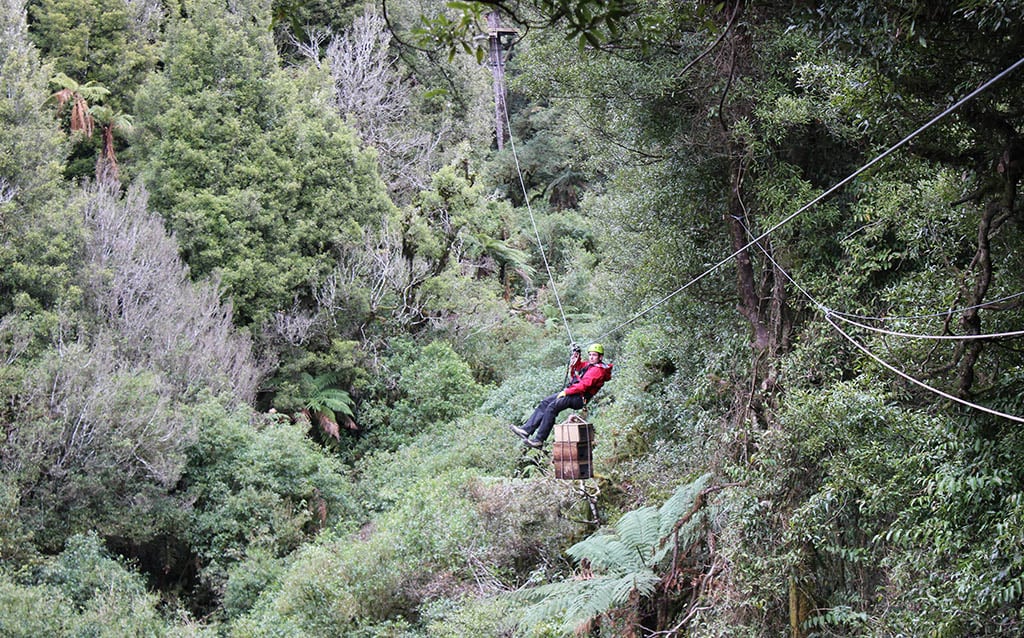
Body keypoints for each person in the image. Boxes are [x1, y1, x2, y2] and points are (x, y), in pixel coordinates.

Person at [509, 343, 613, 449]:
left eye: (594, 355)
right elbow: (579, 366)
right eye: (590, 354)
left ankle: (539, 440)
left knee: (552, 407)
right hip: (574, 393)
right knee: (545, 402)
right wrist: (577, 355)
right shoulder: (590, 365)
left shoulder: (598, 370)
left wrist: (566, 392)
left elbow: (583, 386)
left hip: (579, 398)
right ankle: (526, 430)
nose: (591, 357)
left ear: (600, 357)